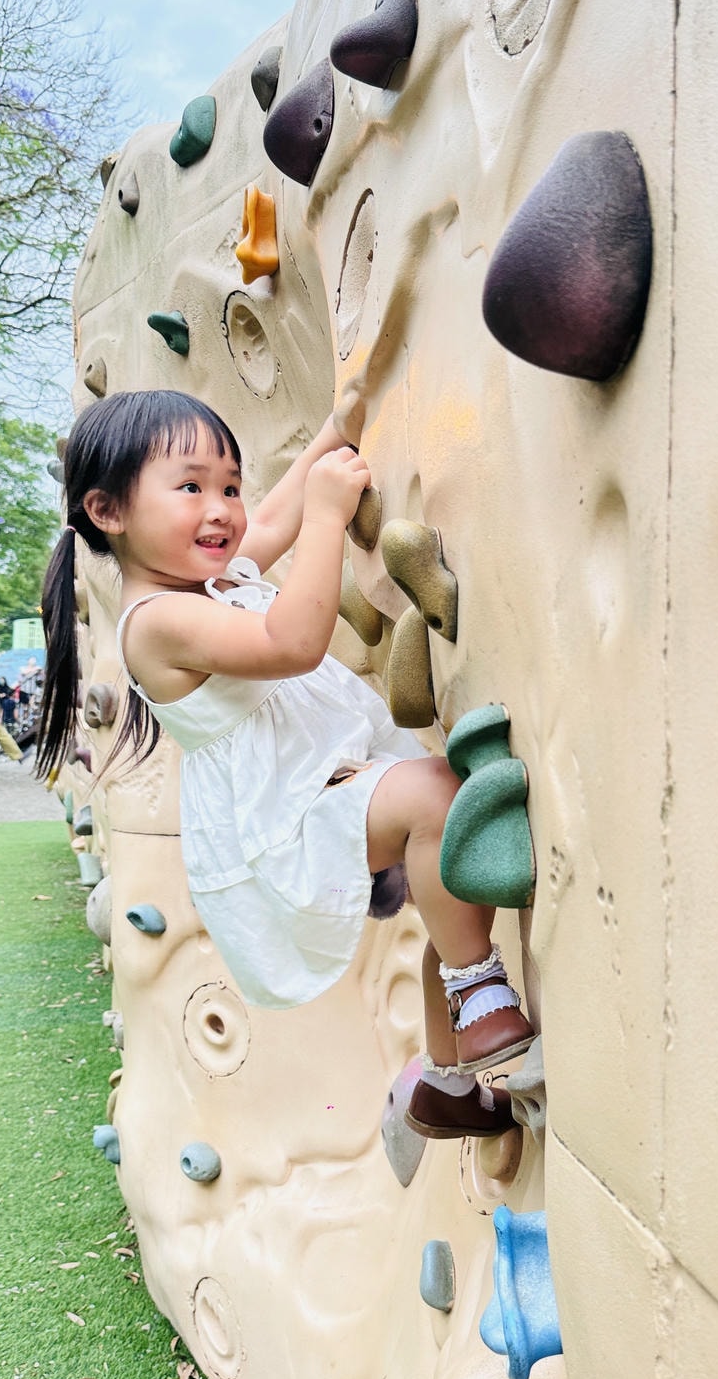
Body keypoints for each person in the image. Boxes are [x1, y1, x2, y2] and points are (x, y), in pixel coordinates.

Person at [38, 390, 536, 1139]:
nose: (224, 508)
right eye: (191, 487)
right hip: (283, 822)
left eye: (229, 485)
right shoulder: (159, 622)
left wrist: (339, 420)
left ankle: (444, 1081)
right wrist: (332, 517)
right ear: (108, 512)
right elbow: (291, 643)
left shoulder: (205, 579)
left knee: (450, 889)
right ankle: (478, 988)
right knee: (438, 797)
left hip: (316, 783)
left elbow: (271, 520)